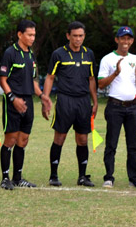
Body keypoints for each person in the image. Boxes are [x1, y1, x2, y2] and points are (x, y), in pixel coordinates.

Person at [42, 21, 98, 187]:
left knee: (82, 139)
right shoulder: (59, 54)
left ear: (84, 36)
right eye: (75, 36)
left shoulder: (89, 54)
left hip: (83, 101)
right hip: (65, 99)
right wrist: (45, 99)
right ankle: (53, 175)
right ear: (68, 36)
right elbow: (50, 77)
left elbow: (92, 79)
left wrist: (94, 101)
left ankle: (82, 176)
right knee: (60, 137)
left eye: (81, 36)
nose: (78, 39)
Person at [0, 20, 51, 190]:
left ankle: (18, 178)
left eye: (34, 35)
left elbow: (33, 81)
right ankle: (5, 178)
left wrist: (43, 96)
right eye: (29, 34)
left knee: (23, 140)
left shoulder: (31, 55)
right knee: (11, 139)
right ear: (20, 34)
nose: (32, 38)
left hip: (28, 101)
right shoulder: (10, 53)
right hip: (13, 101)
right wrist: (13, 98)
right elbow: (3, 80)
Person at [98, 26, 136, 188]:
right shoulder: (108, 59)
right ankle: (109, 177)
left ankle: (135, 177)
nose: (125, 42)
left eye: (129, 39)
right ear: (117, 40)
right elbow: (100, 84)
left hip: (132, 107)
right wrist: (116, 73)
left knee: (133, 145)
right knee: (111, 144)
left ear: (132, 41)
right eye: (123, 38)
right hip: (115, 106)